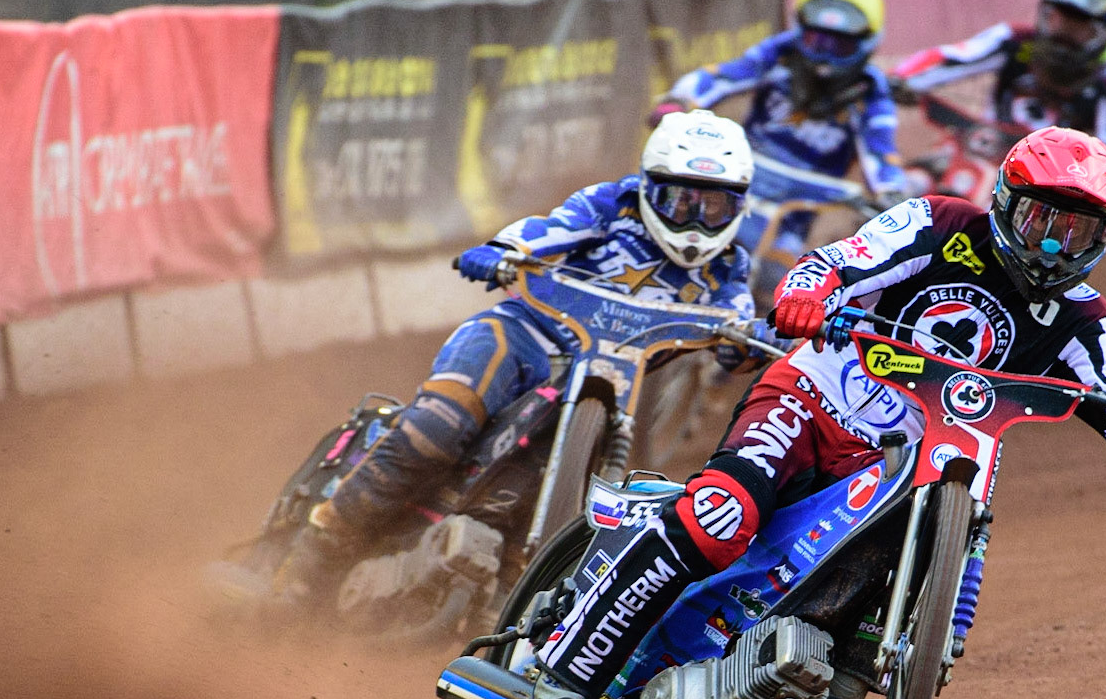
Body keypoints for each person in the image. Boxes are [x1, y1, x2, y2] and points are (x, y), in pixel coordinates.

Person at [521, 126, 1106, 699]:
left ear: (1103, 236)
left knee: (923, 544)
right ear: (1006, 201)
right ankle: (560, 687)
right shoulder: (937, 224)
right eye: (1041, 219)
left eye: (1078, 230)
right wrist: (805, 296)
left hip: (896, 467)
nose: (1054, 244)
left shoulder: (1085, 320)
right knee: (722, 515)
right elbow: (834, 263)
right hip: (813, 399)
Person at [269, 109, 760, 606]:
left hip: (611, 382)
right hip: (522, 338)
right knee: (439, 425)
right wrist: (505, 249)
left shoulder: (728, 267)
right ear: (649, 189)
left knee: (607, 497)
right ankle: (321, 544)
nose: (696, 220)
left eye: (714, 207)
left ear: (738, 207)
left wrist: (746, 342)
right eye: (680, 201)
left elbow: (738, 324)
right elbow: (548, 230)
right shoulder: (612, 205)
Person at [649, 0, 912, 305]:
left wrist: (891, 192)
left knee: (776, 288)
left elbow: (881, 152)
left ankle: (752, 349)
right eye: (817, 41)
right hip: (741, 176)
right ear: (800, 29)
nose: (825, 56)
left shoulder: (871, 91)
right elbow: (723, 76)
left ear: (866, 43)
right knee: (677, 230)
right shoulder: (779, 54)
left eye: (841, 45)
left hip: (800, 203)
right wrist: (679, 100)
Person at [889, 0, 1106, 166]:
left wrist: (1074, 162)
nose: (1063, 34)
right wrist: (903, 79)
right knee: (919, 180)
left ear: (1105, 32)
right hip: (980, 150)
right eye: (1057, 20)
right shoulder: (1015, 41)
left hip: (1048, 184)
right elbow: (953, 58)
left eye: (1078, 27)